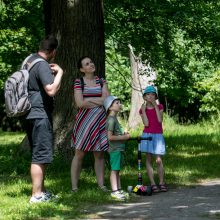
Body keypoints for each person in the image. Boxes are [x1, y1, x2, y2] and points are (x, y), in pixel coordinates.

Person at [25, 35, 64, 203]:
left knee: (37, 153)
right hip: (40, 113)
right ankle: (36, 195)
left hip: (27, 112)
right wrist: (60, 73)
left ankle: (42, 191)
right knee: (40, 155)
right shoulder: (42, 65)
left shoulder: (29, 60)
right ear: (53, 52)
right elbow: (51, 90)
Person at [71, 56, 110, 192]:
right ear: (82, 69)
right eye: (87, 64)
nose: (91, 65)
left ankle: (101, 185)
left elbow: (107, 100)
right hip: (84, 122)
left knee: (99, 155)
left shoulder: (101, 81)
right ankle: (74, 187)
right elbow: (80, 103)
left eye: (91, 62)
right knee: (79, 154)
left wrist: (90, 100)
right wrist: (98, 99)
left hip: (100, 121)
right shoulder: (78, 82)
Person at [139, 85, 168, 193]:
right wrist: (143, 110)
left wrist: (155, 106)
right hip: (147, 134)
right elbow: (146, 123)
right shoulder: (142, 109)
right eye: (148, 94)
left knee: (159, 159)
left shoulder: (160, 106)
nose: (150, 96)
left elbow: (160, 120)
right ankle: (152, 183)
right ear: (145, 97)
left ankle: (161, 182)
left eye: (152, 94)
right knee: (148, 159)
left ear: (155, 97)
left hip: (158, 135)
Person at [104, 95, 130, 200]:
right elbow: (110, 137)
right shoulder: (111, 120)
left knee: (117, 169)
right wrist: (125, 137)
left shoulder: (115, 119)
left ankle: (119, 189)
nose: (120, 104)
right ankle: (114, 191)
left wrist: (123, 134)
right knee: (114, 170)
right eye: (117, 103)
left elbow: (116, 134)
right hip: (114, 150)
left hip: (119, 149)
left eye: (120, 102)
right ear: (110, 107)